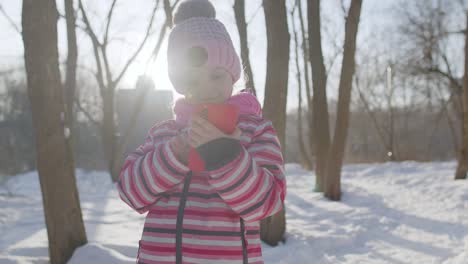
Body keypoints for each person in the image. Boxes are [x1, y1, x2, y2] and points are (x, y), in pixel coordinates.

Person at [117, 0, 286, 263]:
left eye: (216, 76)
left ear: (233, 75)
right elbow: (130, 192)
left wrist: (226, 155)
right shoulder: (164, 134)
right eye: (193, 80)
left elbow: (266, 203)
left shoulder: (255, 130)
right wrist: (175, 155)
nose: (206, 89)